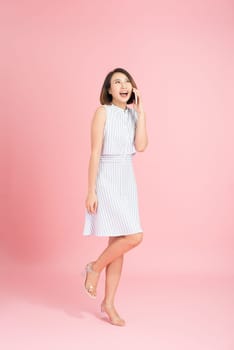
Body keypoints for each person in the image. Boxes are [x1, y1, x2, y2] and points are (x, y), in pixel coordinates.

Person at [82, 67, 148, 326]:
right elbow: (95, 152)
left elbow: (141, 146)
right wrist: (91, 189)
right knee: (134, 236)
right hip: (107, 178)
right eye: (116, 82)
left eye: (127, 81)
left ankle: (108, 302)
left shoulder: (134, 115)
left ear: (133, 87)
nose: (123, 85)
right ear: (108, 90)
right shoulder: (102, 112)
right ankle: (94, 268)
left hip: (126, 180)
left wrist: (141, 113)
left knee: (118, 243)